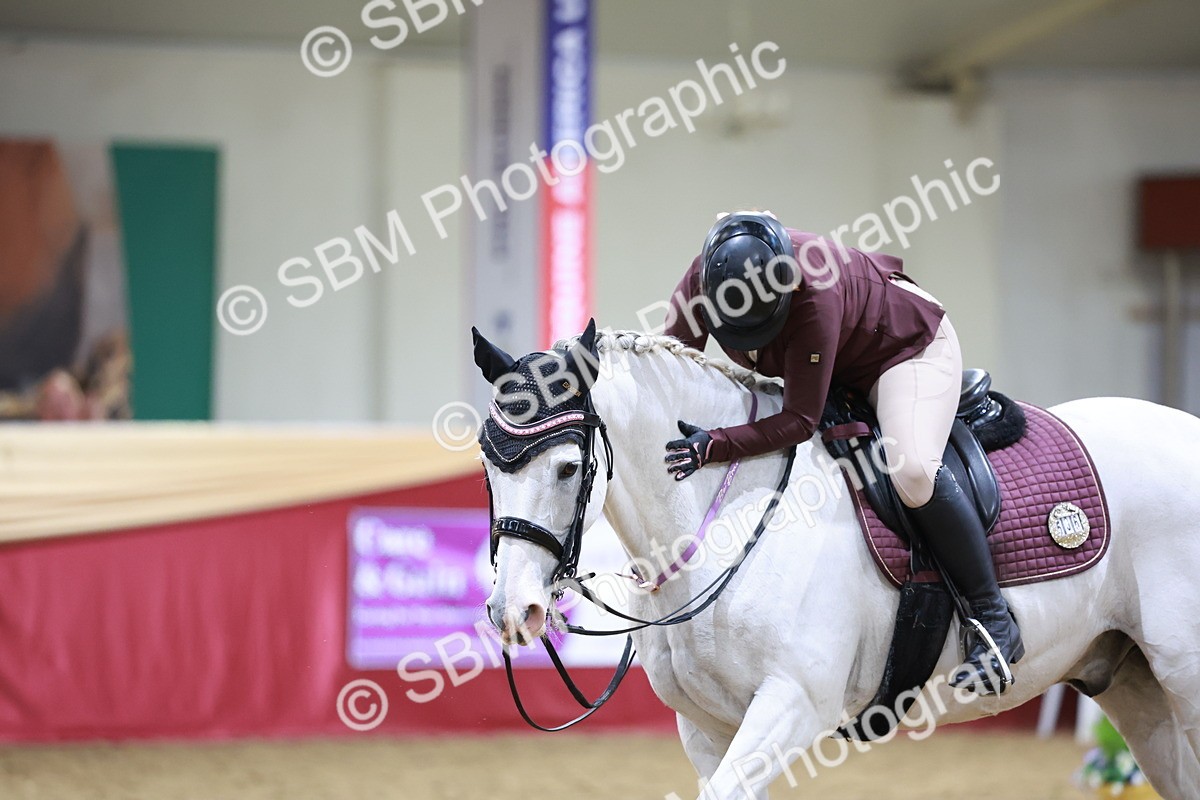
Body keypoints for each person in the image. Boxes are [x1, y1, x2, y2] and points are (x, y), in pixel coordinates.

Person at [661, 211, 1023, 694]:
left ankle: (995, 619)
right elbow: (671, 368)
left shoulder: (815, 295)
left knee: (912, 470)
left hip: (902, 351)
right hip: (838, 363)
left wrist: (716, 444)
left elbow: (798, 421)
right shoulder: (707, 277)